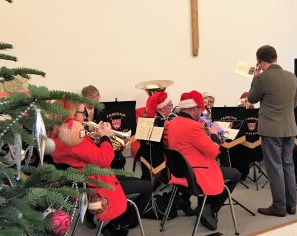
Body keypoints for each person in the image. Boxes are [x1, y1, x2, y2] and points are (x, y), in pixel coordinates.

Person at [52, 101, 152, 235]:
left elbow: (86, 155)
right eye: (83, 113)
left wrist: (97, 138)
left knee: (132, 178)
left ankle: (98, 216)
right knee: (147, 186)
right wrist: (106, 136)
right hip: (99, 185)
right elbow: (104, 160)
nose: (86, 117)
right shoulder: (74, 137)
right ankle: (118, 224)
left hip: (87, 181)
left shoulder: (58, 135)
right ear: (72, 114)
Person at [164, 90, 240, 230]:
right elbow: (213, 152)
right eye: (200, 108)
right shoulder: (193, 126)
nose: (201, 112)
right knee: (235, 174)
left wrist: (204, 135)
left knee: (224, 171)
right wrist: (214, 134)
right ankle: (208, 207)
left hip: (180, 171)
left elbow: (189, 144)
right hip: (195, 174)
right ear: (194, 108)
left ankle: (203, 204)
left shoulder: (173, 123)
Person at [247, 45, 297, 217]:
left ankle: (279, 206)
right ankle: (291, 205)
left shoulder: (262, 78)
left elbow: (252, 98)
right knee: (288, 165)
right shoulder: (292, 77)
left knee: (275, 168)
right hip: (290, 128)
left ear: (260, 62)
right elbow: (295, 104)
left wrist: (255, 78)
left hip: (271, 130)